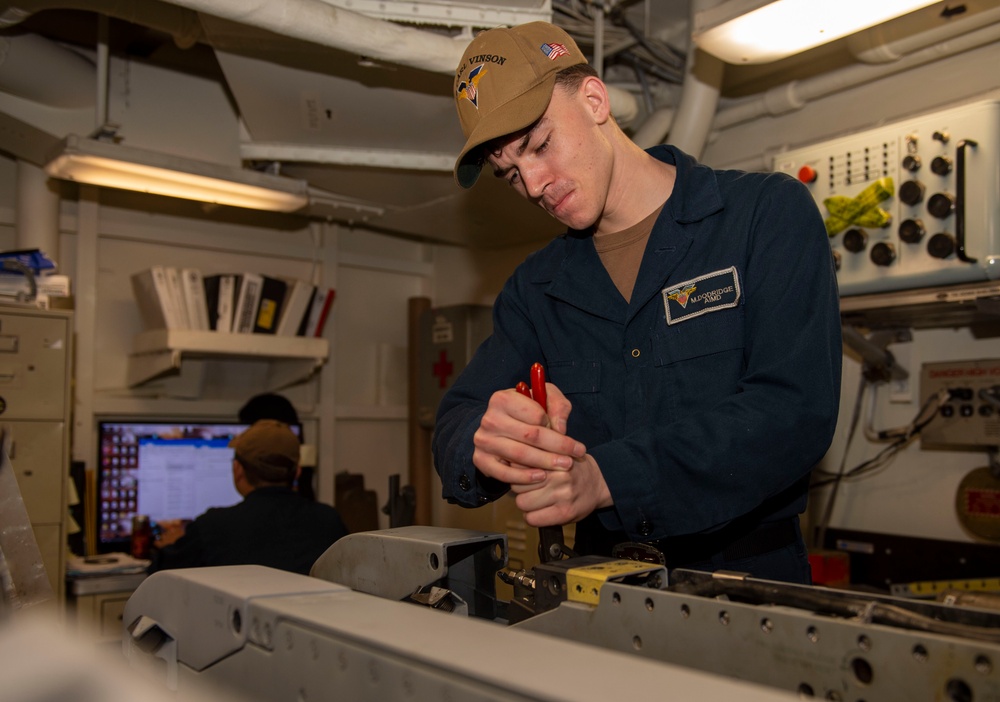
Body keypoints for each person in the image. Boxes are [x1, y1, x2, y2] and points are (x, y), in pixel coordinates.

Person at [432, 22, 842, 584]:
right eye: (510, 175)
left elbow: (794, 412)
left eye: (540, 146)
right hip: (601, 588)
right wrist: (488, 438)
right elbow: (454, 424)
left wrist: (608, 478)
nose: (533, 185)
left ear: (595, 100)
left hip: (748, 585)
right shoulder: (536, 289)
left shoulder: (764, 217)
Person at [148, 419, 348, 575]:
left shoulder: (213, 527)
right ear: (297, 472)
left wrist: (169, 547)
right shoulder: (329, 521)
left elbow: (160, 574)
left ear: (238, 470)